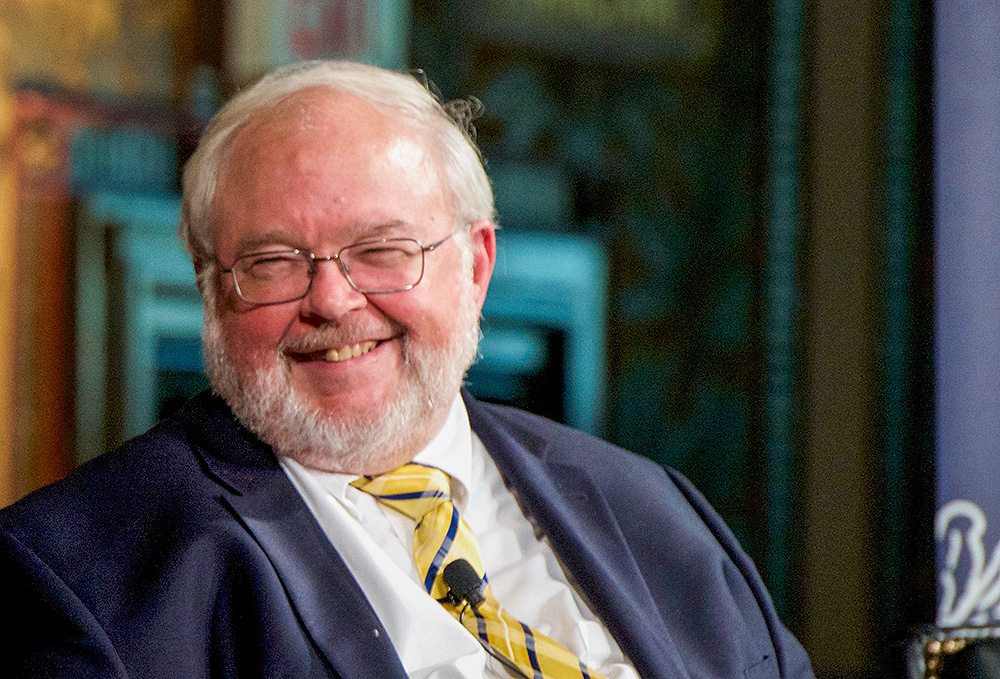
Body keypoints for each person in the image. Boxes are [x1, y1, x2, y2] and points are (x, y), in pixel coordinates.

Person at [0, 60, 813, 679]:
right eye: (275, 261)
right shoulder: (76, 575)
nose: (331, 299)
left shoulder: (660, 510)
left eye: (382, 250)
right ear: (211, 289)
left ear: (476, 265)